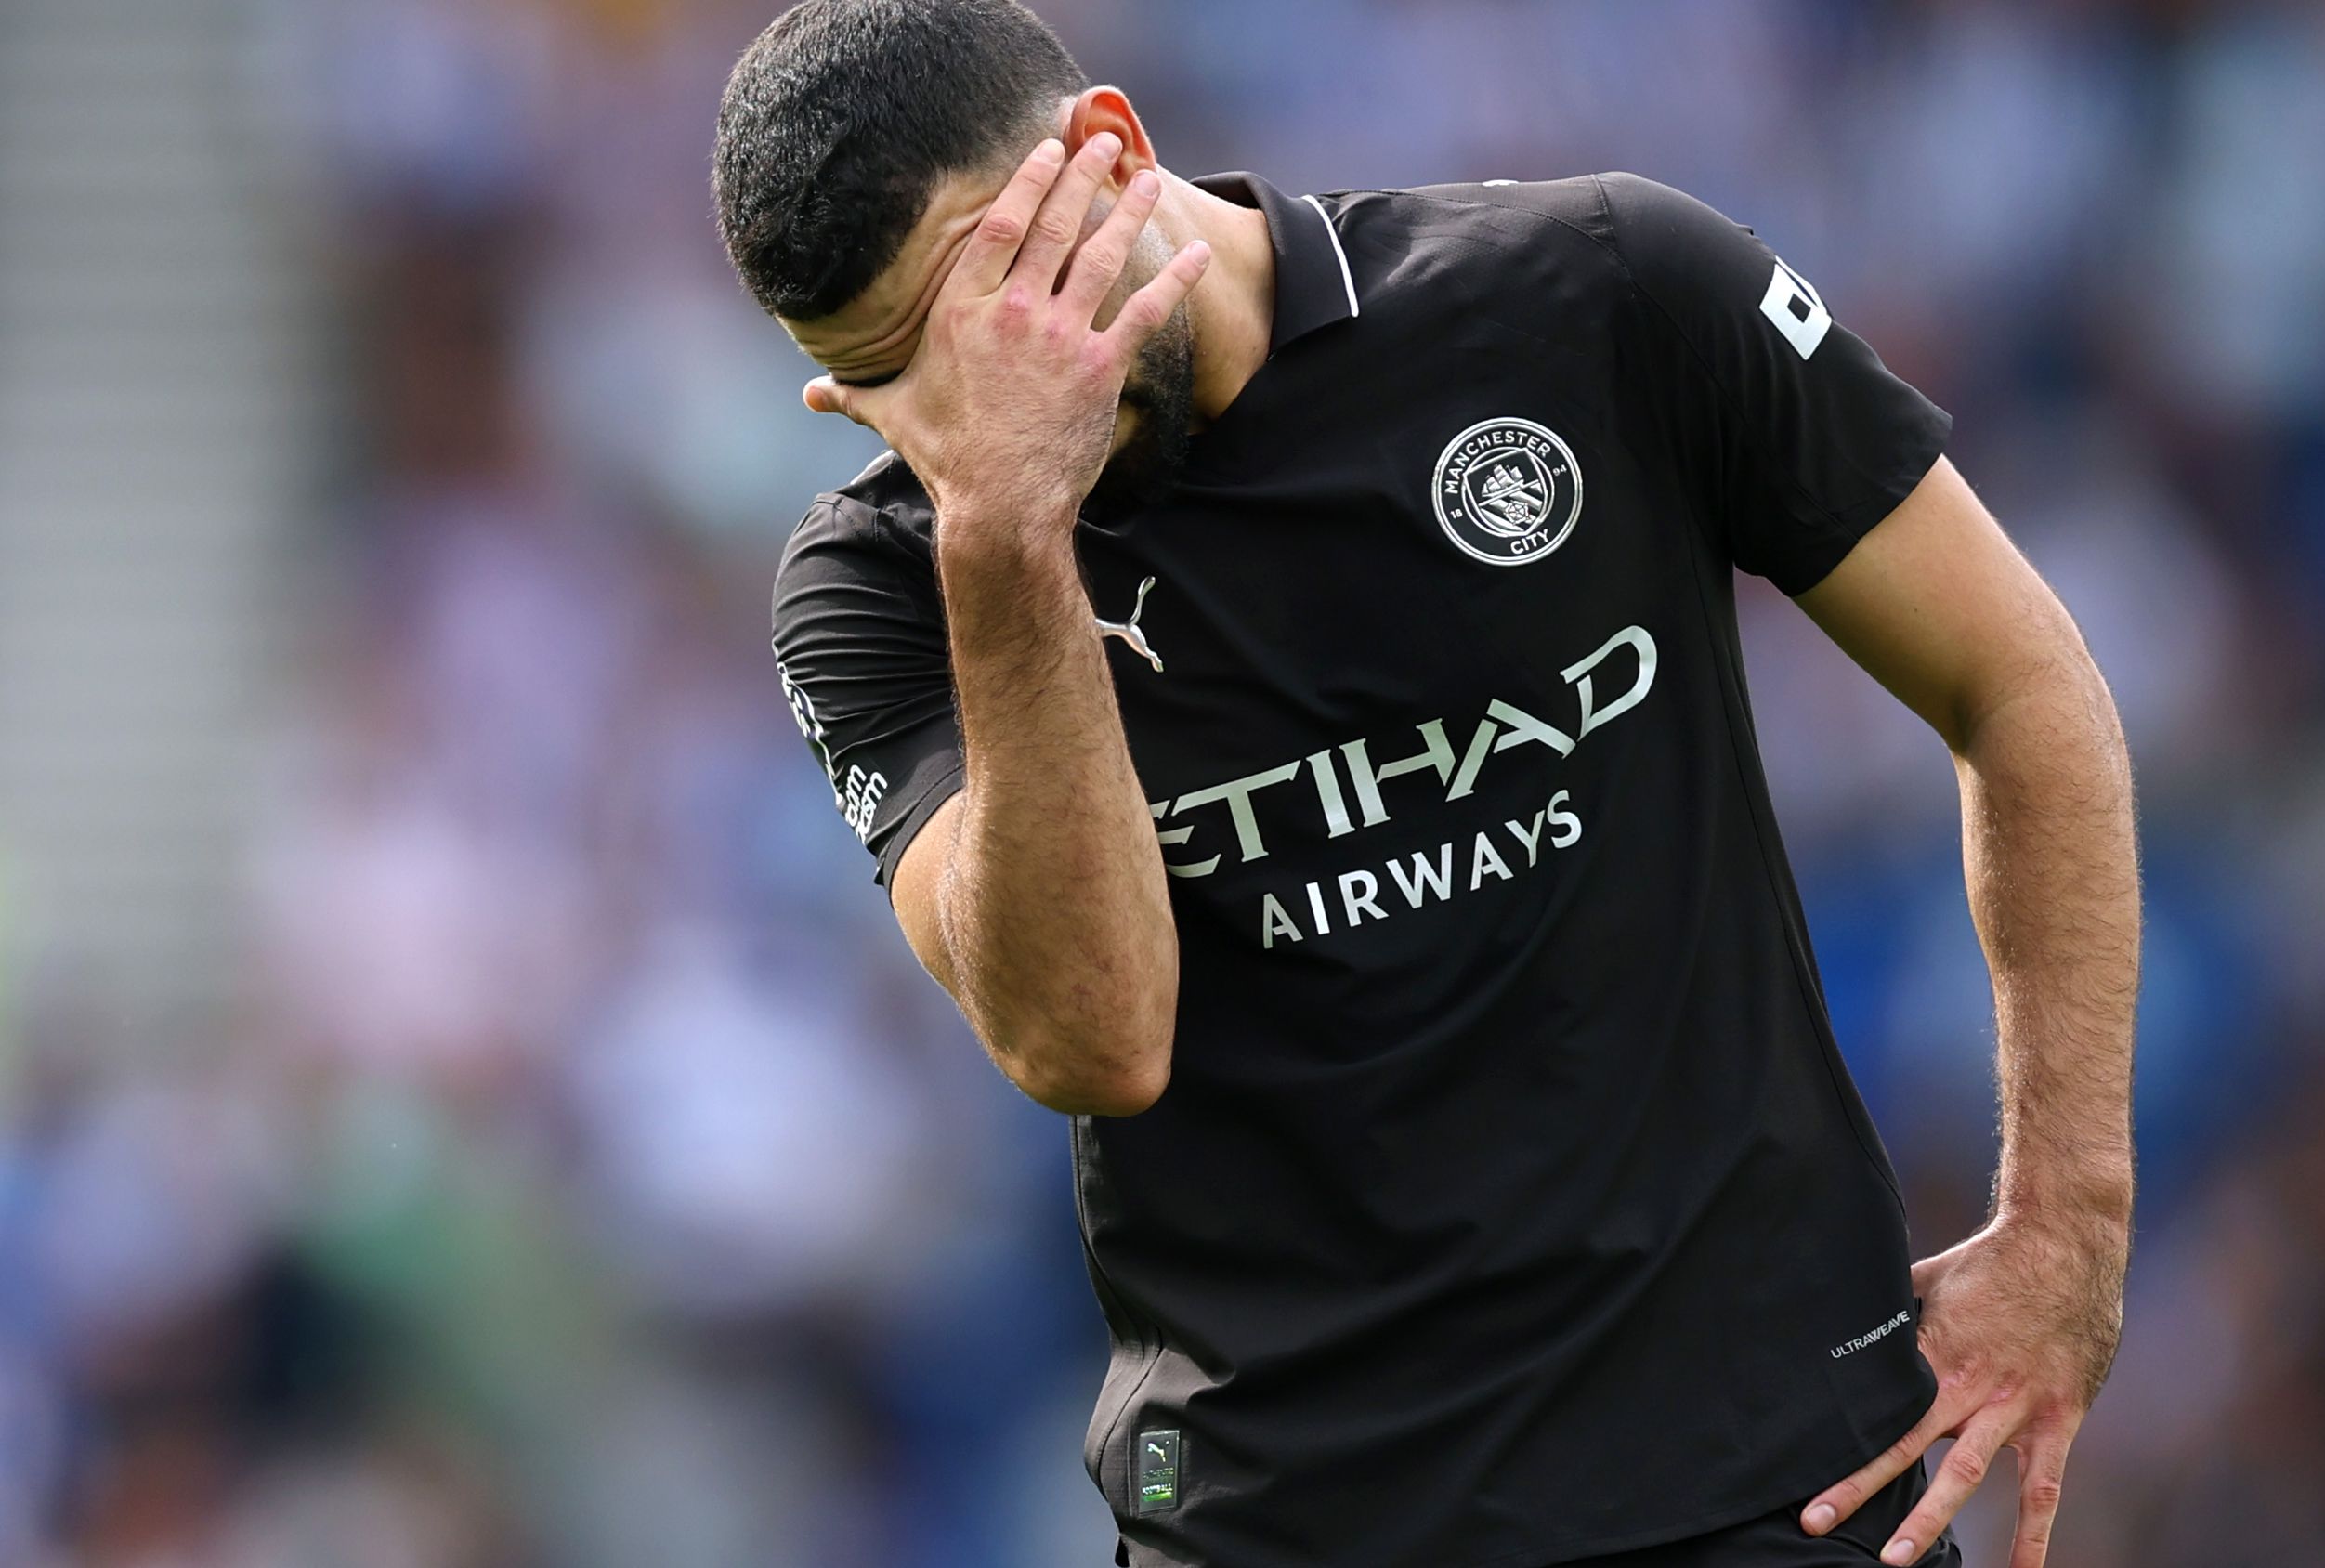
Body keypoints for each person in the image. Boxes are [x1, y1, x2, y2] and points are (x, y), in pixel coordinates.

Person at [713, 3, 2137, 1564]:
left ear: (1107, 155)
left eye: (985, 311)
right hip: (1281, 1521)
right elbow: (1094, 1036)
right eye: (892, 385)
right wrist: (1009, 535)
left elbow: (2019, 681)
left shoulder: (1605, 291)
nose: (961, 414)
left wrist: (2069, 1224)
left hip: (1762, 1486)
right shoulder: (889, 582)